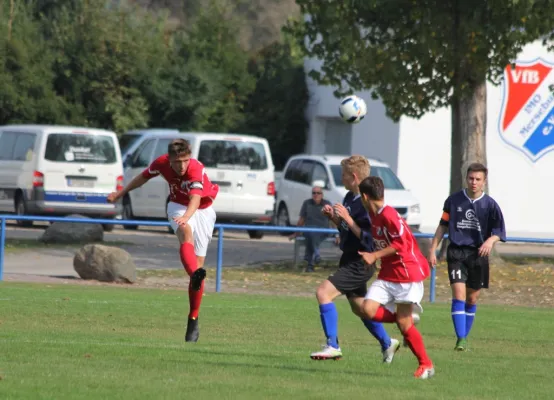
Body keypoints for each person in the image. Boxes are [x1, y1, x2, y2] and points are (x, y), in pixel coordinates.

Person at [107, 139, 218, 343]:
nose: (182, 166)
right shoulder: (161, 163)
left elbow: (195, 199)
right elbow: (142, 178)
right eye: (177, 162)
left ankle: (193, 318)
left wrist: (187, 215)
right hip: (177, 205)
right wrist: (120, 193)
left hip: (202, 210)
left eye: (185, 160)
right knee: (186, 234)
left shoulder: (196, 169)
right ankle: (194, 274)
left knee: (198, 273)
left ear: (189, 158)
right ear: (170, 159)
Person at [309, 155, 400, 364]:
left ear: (354, 176)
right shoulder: (350, 197)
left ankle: (333, 345)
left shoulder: (368, 203)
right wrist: (333, 217)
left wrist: (348, 219)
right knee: (360, 308)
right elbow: (346, 230)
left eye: (343, 175)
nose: (341, 179)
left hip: (361, 261)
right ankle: (387, 343)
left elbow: (369, 241)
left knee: (323, 293)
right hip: (349, 258)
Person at [358, 176, 434, 380]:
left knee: (403, 324)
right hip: (388, 273)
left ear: (365, 196)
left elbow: (400, 244)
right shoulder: (373, 214)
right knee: (367, 310)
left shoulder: (390, 215)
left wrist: (374, 255)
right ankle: (406, 320)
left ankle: (426, 365)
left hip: (407, 274)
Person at [428, 162, 506, 351]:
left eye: (478, 179)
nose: (473, 182)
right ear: (466, 179)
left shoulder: (491, 205)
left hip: (478, 255)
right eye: (471, 178)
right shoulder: (454, 200)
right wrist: (433, 249)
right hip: (456, 253)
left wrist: (490, 241)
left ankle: (464, 337)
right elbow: (442, 225)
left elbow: (500, 232)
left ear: (484, 181)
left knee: (472, 299)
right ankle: (460, 339)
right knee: (459, 295)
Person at [290, 180, 333, 272]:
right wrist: (296, 233)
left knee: (312, 235)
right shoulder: (307, 203)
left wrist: (337, 234)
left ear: (322, 195)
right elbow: (302, 220)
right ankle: (315, 256)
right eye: (314, 193)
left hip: (323, 231)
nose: (316, 195)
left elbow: (333, 219)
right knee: (311, 233)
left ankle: (309, 262)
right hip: (308, 230)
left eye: (318, 193)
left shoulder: (327, 204)